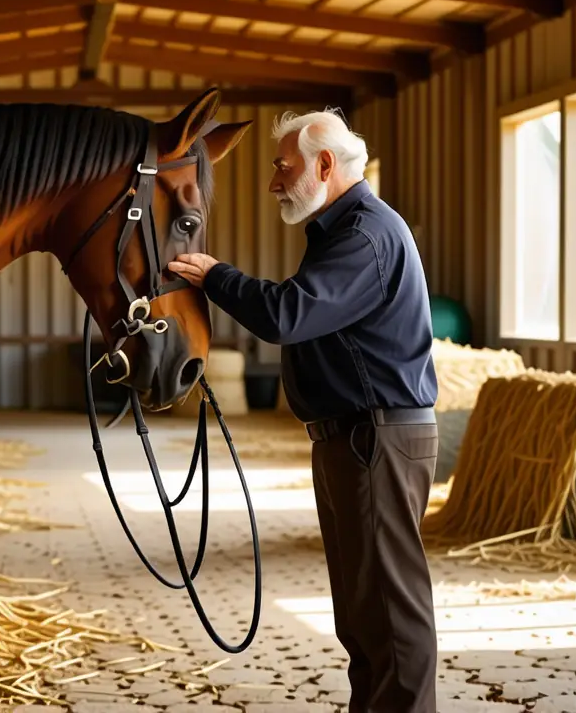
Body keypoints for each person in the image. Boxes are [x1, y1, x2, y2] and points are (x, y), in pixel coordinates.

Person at [168, 109, 441, 713]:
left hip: (377, 438)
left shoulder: (365, 235)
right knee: (364, 613)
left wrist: (216, 277)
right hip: (355, 438)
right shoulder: (343, 233)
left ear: (324, 164)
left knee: (391, 616)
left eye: (282, 167)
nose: (273, 183)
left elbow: (289, 315)